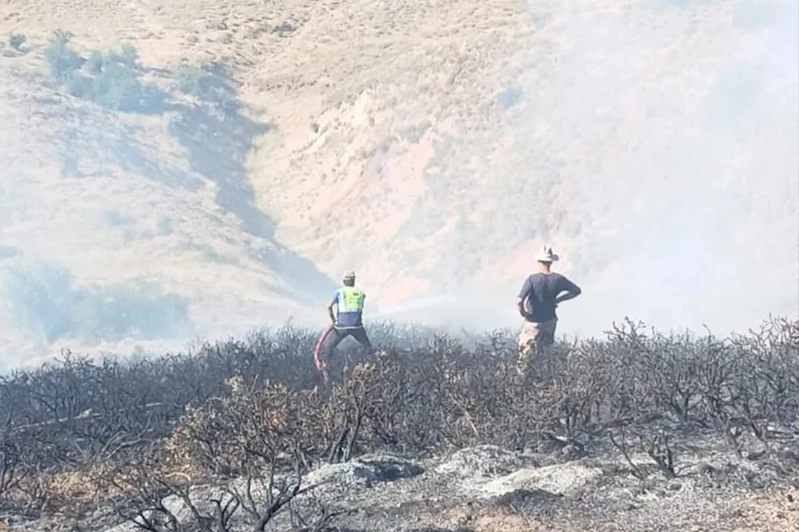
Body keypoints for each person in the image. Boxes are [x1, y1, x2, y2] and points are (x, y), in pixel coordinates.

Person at [516, 246, 581, 374]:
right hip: (550, 321)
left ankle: (522, 384)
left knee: (525, 356)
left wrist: (524, 313)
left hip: (533, 322)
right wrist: (559, 300)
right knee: (545, 353)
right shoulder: (558, 279)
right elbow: (576, 291)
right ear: (551, 262)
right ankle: (546, 380)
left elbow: (519, 301)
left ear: (539, 261)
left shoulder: (532, 279)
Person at [317, 270, 373, 375]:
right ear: (354, 281)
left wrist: (333, 321)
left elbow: (329, 306)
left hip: (341, 327)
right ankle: (371, 367)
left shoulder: (339, 292)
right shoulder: (361, 294)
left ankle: (326, 370)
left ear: (344, 281)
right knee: (368, 347)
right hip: (357, 327)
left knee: (328, 347)